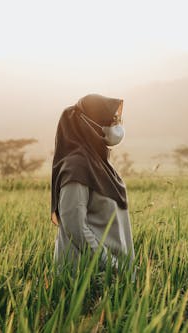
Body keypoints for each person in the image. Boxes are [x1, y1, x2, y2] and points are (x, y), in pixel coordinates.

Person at [50, 94, 135, 274]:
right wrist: (110, 263)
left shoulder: (99, 163)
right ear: (91, 125)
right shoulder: (77, 166)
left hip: (109, 275)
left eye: (117, 120)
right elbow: (75, 225)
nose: (117, 126)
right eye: (110, 121)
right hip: (87, 277)